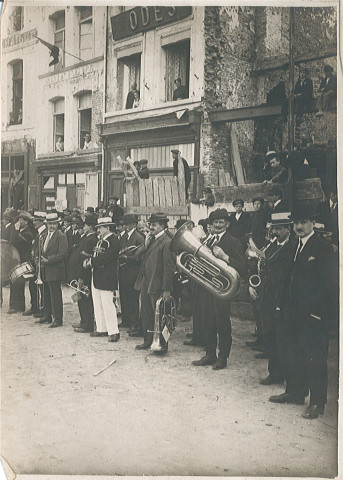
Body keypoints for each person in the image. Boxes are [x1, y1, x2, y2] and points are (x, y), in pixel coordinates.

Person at [269, 204, 336, 420]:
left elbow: (330, 285)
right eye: (296, 222)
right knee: (294, 352)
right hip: (292, 312)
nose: (299, 226)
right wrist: (280, 306)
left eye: (303, 222)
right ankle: (295, 392)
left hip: (314, 314)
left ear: (313, 224)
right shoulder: (292, 246)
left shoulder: (322, 247)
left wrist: (319, 312)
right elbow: (284, 278)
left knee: (315, 357)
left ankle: (317, 402)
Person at [192, 208, 247, 370]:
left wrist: (225, 257)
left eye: (221, 222)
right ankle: (210, 354)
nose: (217, 225)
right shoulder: (206, 240)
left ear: (227, 224)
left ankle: (223, 356)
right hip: (206, 287)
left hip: (223, 289)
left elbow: (242, 268)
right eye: (214, 222)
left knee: (222, 323)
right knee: (207, 321)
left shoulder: (234, 242)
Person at [249, 212, 297, 384]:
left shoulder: (293, 246)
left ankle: (287, 376)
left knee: (284, 339)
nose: (274, 231)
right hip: (266, 297)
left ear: (288, 229)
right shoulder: (271, 245)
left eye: (278, 228)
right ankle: (275, 373)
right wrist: (252, 285)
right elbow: (260, 266)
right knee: (270, 335)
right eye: (273, 228)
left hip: (283, 299)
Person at [134, 212, 175, 351]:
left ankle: (163, 345)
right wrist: (145, 245)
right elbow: (137, 256)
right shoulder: (150, 239)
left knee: (162, 316)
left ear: (162, 226)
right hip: (146, 282)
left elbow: (169, 267)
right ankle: (148, 340)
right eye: (150, 224)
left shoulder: (167, 242)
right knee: (146, 313)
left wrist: (167, 289)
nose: (151, 227)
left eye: (154, 225)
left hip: (158, 284)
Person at [84, 217, 120, 342]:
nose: (98, 229)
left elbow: (108, 257)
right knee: (97, 303)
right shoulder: (101, 240)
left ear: (108, 228)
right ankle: (101, 328)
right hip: (97, 274)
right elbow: (97, 255)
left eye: (100, 227)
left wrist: (91, 261)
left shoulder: (114, 240)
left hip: (107, 275)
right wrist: (90, 261)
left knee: (108, 304)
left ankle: (114, 331)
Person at [40, 212, 68, 328]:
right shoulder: (44, 235)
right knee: (46, 292)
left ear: (57, 224)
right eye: (49, 224)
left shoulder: (61, 236)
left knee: (55, 294)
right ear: (46, 224)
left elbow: (63, 254)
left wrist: (48, 260)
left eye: (54, 224)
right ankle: (47, 315)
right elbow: (42, 251)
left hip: (55, 269)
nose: (52, 226)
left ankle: (58, 318)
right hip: (45, 269)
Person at [118, 213, 145, 333]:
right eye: (125, 224)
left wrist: (126, 259)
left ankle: (135, 323)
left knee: (133, 298)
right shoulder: (125, 236)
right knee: (124, 296)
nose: (126, 226)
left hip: (133, 272)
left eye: (128, 224)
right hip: (124, 271)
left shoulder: (139, 237)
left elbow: (139, 257)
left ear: (134, 224)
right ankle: (126, 320)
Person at [73, 215, 99, 334]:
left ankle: (87, 324)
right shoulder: (88, 238)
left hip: (85, 274)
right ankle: (84, 321)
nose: (84, 227)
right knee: (83, 299)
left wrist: (81, 277)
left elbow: (84, 259)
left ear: (90, 227)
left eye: (86, 225)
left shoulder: (90, 239)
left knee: (85, 299)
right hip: (84, 272)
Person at [8, 211, 34, 314]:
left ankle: (17, 306)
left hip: (22, 260)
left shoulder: (27, 233)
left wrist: (16, 230)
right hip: (17, 259)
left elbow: (14, 242)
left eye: (21, 220)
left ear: (26, 221)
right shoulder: (22, 231)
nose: (19, 221)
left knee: (18, 283)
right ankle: (16, 305)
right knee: (14, 282)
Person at [22, 211, 47, 318]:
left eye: (36, 220)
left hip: (41, 264)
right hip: (35, 263)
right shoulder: (38, 232)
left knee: (41, 287)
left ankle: (42, 309)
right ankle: (35, 307)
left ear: (42, 221)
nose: (34, 222)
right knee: (33, 285)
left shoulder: (44, 232)